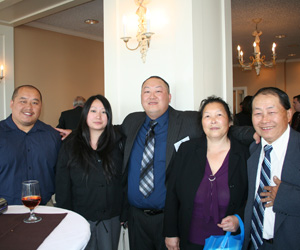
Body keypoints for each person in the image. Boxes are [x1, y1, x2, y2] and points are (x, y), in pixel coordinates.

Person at [121, 76, 254, 250]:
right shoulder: (131, 121)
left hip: (169, 218)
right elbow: (105, 132)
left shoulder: (188, 120)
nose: (152, 96)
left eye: (158, 91)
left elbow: (218, 129)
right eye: (147, 91)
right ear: (141, 96)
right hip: (137, 218)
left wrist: (255, 133)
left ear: (169, 97)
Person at [163, 96, 249, 250]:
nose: (213, 120)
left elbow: (250, 197)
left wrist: (239, 219)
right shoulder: (186, 150)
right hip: (190, 238)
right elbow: (172, 193)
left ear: (230, 121)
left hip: (227, 242)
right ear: (201, 122)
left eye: (219, 115)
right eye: (207, 116)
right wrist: (171, 233)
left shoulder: (244, 154)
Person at [55, 94, 124, 250]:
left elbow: (124, 180)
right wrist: (66, 216)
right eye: (93, 111)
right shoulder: (70, 144)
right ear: (85, 113)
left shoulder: (119, 141)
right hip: (79, 218)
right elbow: (62, 185)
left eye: (103, 112)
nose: (98, 116)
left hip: (111, 219)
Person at [243, 87, 300, 250]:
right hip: (255, 243)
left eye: (271, 112)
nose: (264, 120)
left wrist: (285, 196)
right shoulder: (254, 150)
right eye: (258, 113)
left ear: (288, 115)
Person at [0, 85, 61, 205]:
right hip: (5, 209)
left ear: (41, 107)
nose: (29, 107)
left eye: (35, 102)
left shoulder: (52, 135)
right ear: (12, 103)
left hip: (44, 206)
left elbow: (60, 173)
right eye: (23, 101)